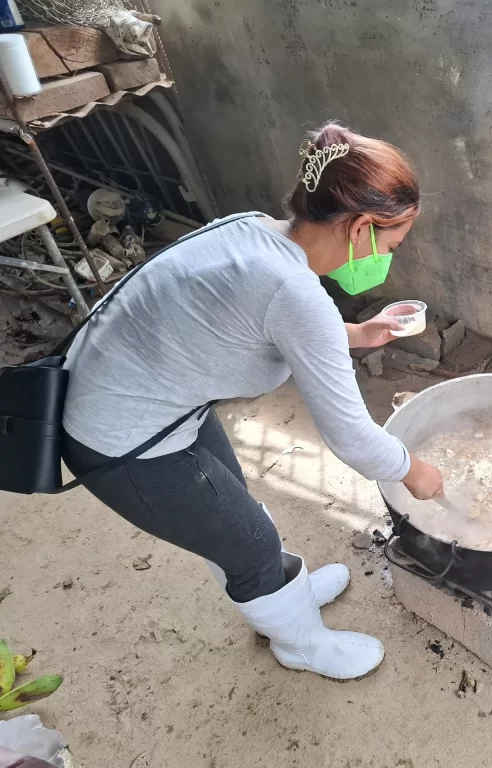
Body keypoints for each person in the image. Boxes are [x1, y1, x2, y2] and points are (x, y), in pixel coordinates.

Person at [61, 123, 444, 682]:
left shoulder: (250, 229)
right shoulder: (297, 294)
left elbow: (261, 317)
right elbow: (352, 437)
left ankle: (281, 589)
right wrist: (416, 472)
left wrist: (360, 334)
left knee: (229, 505)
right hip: (120, 440)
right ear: (362, 227)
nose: (389, 258)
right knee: (248, 540)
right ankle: (301, 643)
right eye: (391, 245)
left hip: (143, 398)